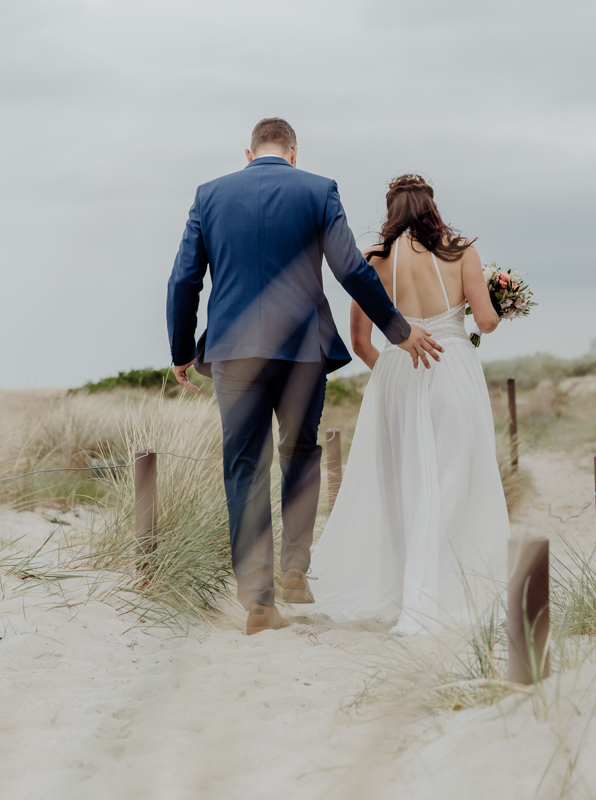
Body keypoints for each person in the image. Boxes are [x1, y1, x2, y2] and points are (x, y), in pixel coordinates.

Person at [166, 119, 443, 636]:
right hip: (301, 351)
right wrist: (398, 329)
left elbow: (185, 277)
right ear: (294, 153)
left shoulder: (209, 195)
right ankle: (294, 569)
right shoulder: (318, 189)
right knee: (301, 451)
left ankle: (258, 602)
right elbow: (351, 269)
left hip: (235, 354)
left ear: (249, 153)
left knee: (246, 467)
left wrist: (182, 349)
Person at [309, 174, 511, 635]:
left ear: (390, 212)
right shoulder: (462, 250)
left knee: (405, 485)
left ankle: (408, 590)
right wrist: (502, 304)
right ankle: (445, 590)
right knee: (457, 481)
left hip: (399, 375)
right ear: (431, 207)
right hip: (453, 367)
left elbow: (361, 342)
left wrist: (395, 372)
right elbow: (485, 321)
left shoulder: (374, 261)